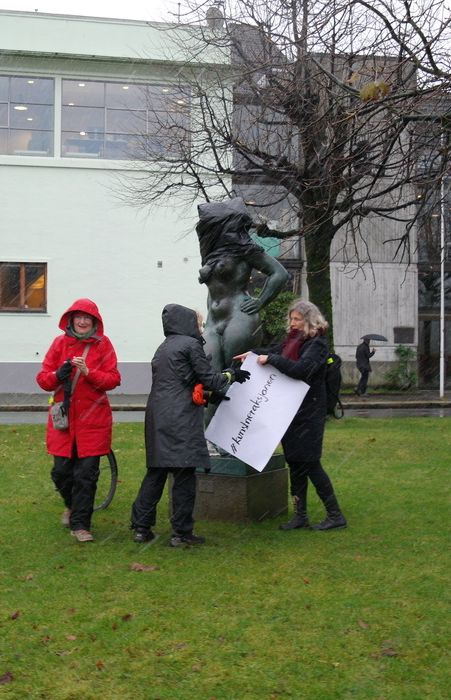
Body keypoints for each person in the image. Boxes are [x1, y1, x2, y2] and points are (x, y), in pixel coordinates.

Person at [130, 304, 251, 547]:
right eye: (199, 323)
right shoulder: (191, 345)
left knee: (156, 472)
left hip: (158, 415)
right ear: (188, 324)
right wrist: (231, 374)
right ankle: (181, 532)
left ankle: (142, 528)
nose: (201, 329)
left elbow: (176, 384)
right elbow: (210, 379)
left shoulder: (164, 347)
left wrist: (208, 397)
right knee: (184, 475)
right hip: (181, 419)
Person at [239, 300, 347, 531]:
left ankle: (335, 515)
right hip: (290, 411)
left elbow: (302, 370)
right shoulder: (293, 340)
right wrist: (254, 354)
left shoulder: (318, 343)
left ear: (309, 320)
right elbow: (275, 352)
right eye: (291, 318)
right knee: (296, 463)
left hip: (309, 413)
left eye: (297, 319)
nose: (292, 323)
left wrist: (272, 360)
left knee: (311, 463)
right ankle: (300, 516)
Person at [36, 299, 121, 543]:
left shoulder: (103, 345)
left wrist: (89, 373)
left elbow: (113, 379)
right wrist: (58, 375)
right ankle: (73, 506)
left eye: (88, 318)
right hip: (64, 422)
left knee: (86, 475)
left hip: (94, 420)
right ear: (71, 320)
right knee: (61, 473)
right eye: (79, 318)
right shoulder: (59, 344)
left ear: (95, 322)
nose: (83, 322)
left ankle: (81, 526)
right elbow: (43, 379)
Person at [196, 197, 289, 372]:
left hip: (239, 316)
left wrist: (260, 301)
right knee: (210, 374)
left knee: (236, 375)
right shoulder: (212, 252)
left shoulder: (243, 248)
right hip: (213, 321)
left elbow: (280, 274)